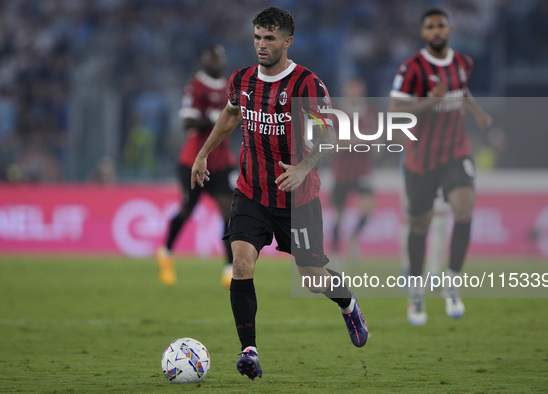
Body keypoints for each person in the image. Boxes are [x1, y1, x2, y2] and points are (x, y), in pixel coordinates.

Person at [191, 7, 368, 381]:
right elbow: (230, 115)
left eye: (269, 38)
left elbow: (328, 136)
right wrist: (203, 154)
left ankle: (348, 304)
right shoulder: (241, 79)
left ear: (288, 41)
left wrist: (304, 167)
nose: (261, 45)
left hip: (297, 199)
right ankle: (249, 352)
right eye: (257, 37)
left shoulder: (308, 84)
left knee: (313, 276)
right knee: (241, 263)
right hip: (251, 192)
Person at [389, 8, 493, 325]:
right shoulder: (412, 68)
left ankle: (451, 281)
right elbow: (395, 109)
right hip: (421, 157)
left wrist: (476, 111)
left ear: (449, 30)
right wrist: (430, 102)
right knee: (419, 226)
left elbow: (461, 91)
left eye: (441, 25)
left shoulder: (463, 62)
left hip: (455, 152)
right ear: (423, 33)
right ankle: (416, 296)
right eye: (431, 26)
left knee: (464, 210)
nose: (437, 30)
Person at [157, 45, 236, 287]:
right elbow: (187, 121)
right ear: (203, 60)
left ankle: (229, 268)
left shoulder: (229, 85)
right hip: (194, 160)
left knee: (229, 211)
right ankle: (166, 252)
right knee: (188, 209)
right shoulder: (195, 87)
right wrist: (213, 117)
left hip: (222, 161)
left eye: (218, 59)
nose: (215, 62)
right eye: (210, 58)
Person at [330, 78, 376, 262]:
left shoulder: (370, 112)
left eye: (358, 88)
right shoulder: (337, 113)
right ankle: (334, 251)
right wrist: (354, 141)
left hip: (362, 169)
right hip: (342, 170)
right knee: (339, 213)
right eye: (352, 88)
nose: (355, 92)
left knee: (367, 209)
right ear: (346, 90)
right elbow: (331, 144)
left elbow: (376, 141)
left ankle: (353, 237)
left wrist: (360, 142)